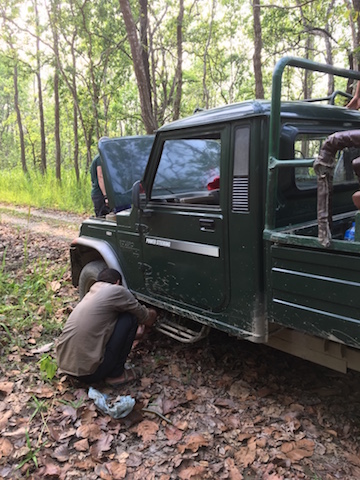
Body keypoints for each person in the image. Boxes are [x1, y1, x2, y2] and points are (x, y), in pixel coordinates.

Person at [56, 268, 157, 386]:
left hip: (65, 366)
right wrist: (155, 314)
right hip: (90, 374)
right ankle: (116, 374)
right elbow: (145, 317)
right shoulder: (116, 290)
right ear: (118, 282)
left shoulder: (91, 293)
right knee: (130, 318)